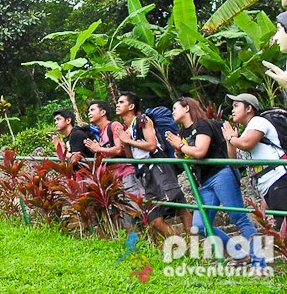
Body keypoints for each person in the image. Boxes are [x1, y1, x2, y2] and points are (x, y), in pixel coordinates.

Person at [166, 97, 265, 268]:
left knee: (238, 217)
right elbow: (186, 157)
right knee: (199, 226)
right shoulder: (183, 133)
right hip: (204, 182)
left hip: (221, 174)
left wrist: (181, 147)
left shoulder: (202, 125)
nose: (172, 112)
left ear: (187, 108)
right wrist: (178, 150)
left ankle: (259, 261)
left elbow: (200, 151)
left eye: (175, 108)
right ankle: (240, 254)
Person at [115, 91, 191, 237]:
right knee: (154, 218)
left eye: (121, 102)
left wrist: (129, 141)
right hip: (146, 173)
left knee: (180, 206)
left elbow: (151, 145)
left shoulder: (143, 120)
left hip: (159, 168)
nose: (117, 105)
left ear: (131, 106)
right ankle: (180, 244)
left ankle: (194, 244)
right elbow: (132, 157)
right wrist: (125, 142)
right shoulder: (129, 128)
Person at [222, 93, 287, 229]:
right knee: (281, 226)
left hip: (279, 178)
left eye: (236, 105)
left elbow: (247, 144)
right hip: (268, 185)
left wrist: (230, 139)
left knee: (283, 225)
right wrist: (231, 141)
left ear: (248, 108)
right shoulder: (245, 132)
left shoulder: (258, 121)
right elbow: (235, 162)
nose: (232, 110)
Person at [84, 100, 143, 197]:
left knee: (135, 201)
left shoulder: (114, 126)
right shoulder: (101, 133)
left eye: (92, 110)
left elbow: (119, 149)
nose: (89, 113)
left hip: (127, 172)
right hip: (115, 176)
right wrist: (95, 149)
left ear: (103, 112)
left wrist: (99, 149)